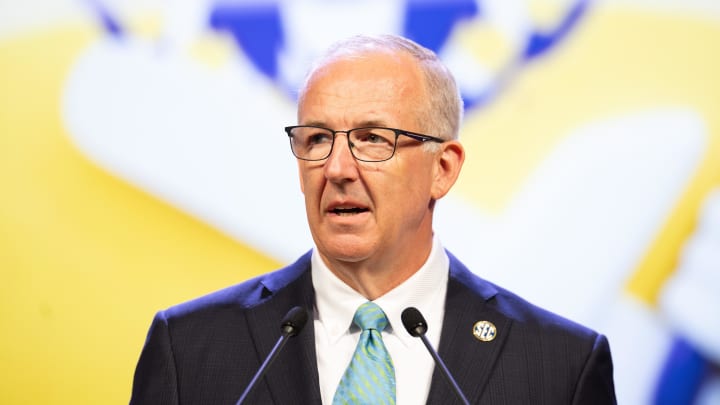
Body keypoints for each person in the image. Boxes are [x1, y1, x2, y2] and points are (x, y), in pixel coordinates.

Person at [130, 34, 616, 404]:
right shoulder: (190, 348)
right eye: (317, 140)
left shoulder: (558, 367)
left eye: (373, 140)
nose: (338, 169)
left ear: (442, 170)